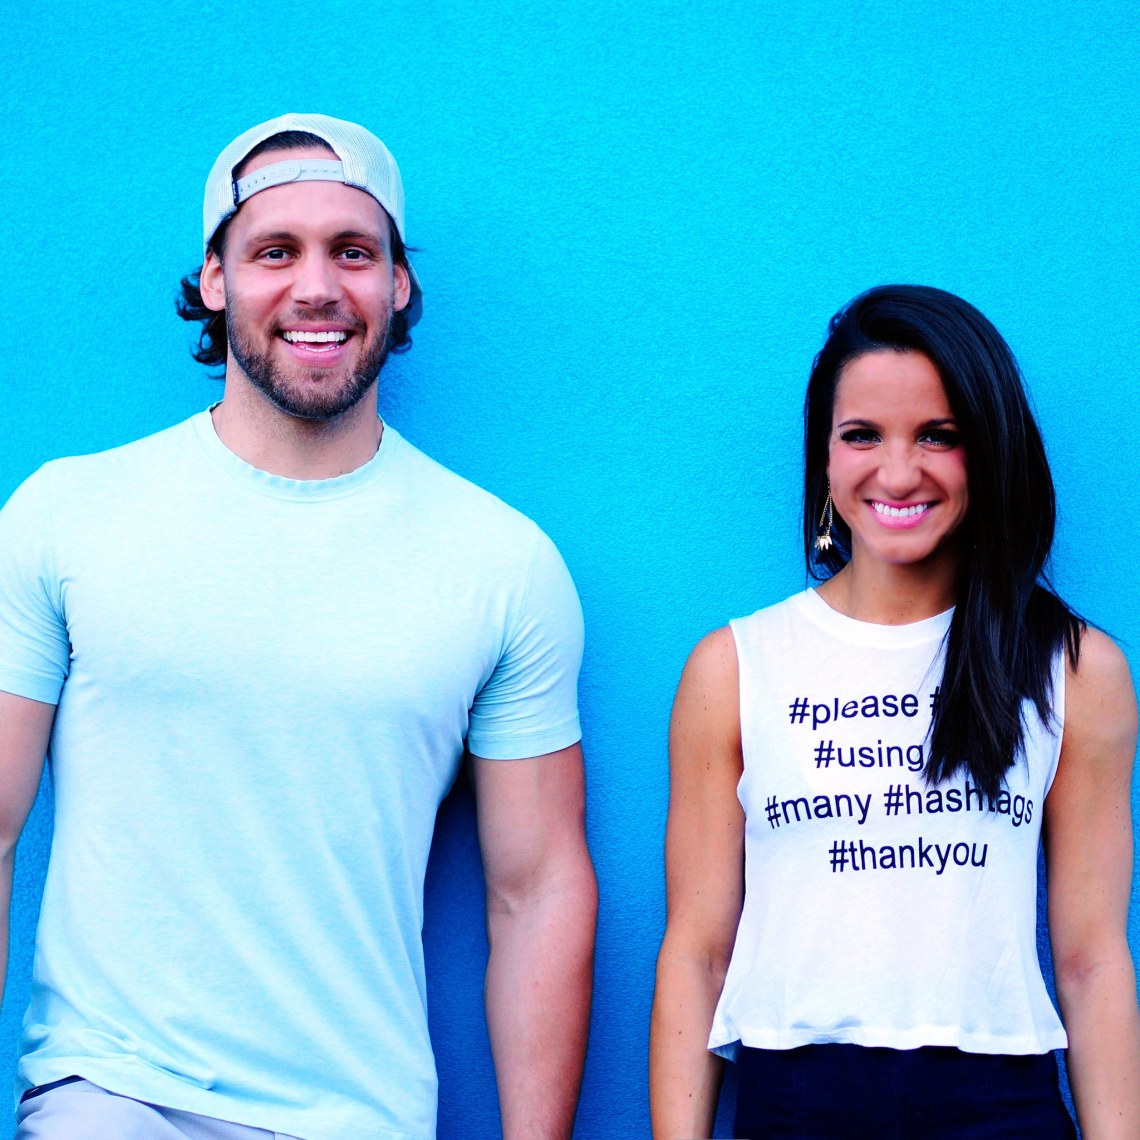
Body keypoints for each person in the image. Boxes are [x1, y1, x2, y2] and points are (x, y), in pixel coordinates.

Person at [0, 113, 597, 1139]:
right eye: (275, 250)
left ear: (398, 285)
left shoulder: (503, 562)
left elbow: (537, 888)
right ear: (218, 278)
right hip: (116, 1091)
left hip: (363, 1114)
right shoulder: (66, 515)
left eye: (353, 252)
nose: (317, 287)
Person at [649, 284, 1140, 1138]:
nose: (899, 471)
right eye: (862, 435)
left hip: (1002, 1108)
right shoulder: (733, 667)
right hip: (793, 1104)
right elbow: (697, 952)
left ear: (987, 452)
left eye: (939, 437)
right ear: (825, 458)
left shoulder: (1074, 668)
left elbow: (1094, 960)